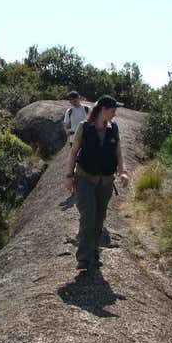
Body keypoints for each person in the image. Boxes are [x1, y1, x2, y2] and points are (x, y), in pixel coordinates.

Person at [64, 95, 129, 271]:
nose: (115, 114)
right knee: (88, 216)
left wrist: (122, 172)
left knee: (99, 219)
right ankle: (83, 258)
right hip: (85, 178)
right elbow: (74, 152)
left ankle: (94, 252)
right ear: (103, 110)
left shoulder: (113, 128)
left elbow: (118, 152)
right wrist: (69, 176)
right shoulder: (84, 127)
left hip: (106, 181)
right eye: (113, 111)